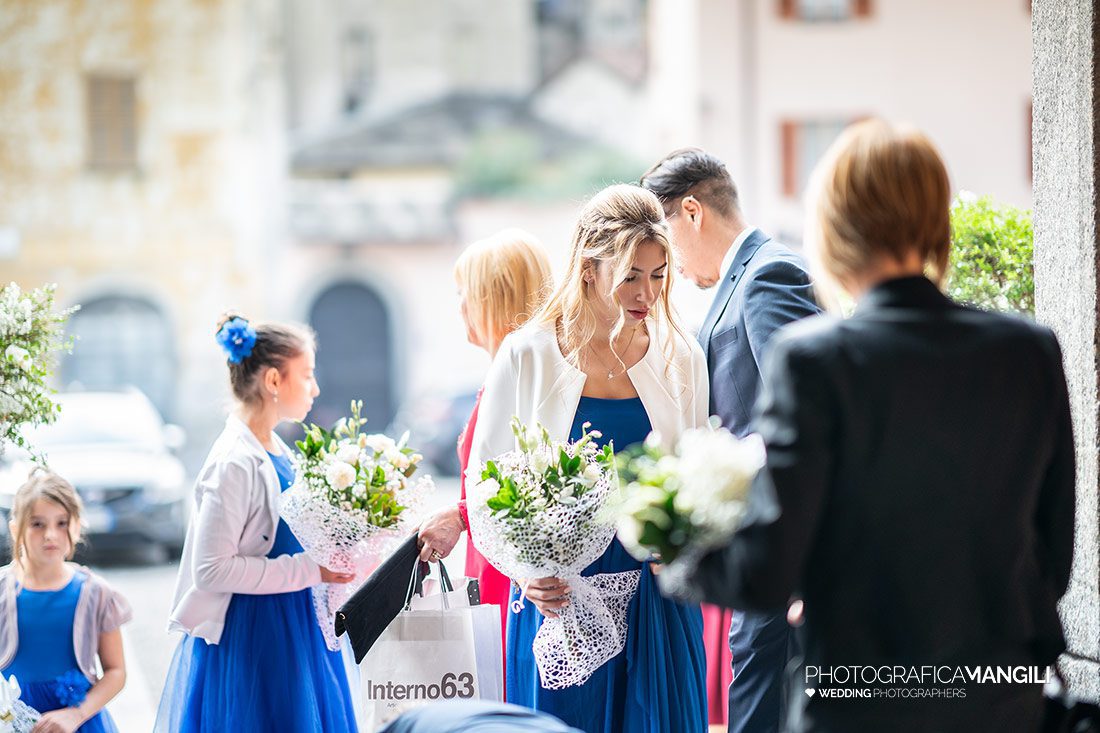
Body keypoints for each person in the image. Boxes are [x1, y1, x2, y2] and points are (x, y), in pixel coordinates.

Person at [676, 119, 1076, 732]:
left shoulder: (814, 360)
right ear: (935, 219)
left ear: (833, 227)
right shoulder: (1029, 351)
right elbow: (1054, 551)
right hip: (1002, 692)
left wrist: (673, 543)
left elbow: (765, 573)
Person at [469, 184, 709, 733]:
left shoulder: (682, 355)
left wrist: (685, 548)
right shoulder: (527, 353)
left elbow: (693, 474)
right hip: (558, 598)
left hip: (656, 597)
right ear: (587, 267)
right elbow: (484, 481)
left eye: (657, 274)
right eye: (629, 275)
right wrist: (526, 573)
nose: (644, 292)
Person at [641, 148, 819, 732]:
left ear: (691, 211)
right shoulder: (744, 279)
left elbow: (800, 419)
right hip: (760, 542)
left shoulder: (769, 274)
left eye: (663, 238)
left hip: (777, 541)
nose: (667, 263)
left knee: (757, 703)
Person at [156, 315, 358, 732]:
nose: (315, 388)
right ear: (272, 381)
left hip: (296, 620)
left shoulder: (276, 447)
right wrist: (311, 569)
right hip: (256, 634)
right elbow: (210, 569)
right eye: (306, 375)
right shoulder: (233, 463)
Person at [416, 228, 553, 644]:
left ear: (494, 299)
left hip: (508, 566)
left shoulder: (526, 378)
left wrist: (460, 515)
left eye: (464, 293)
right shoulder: (506, 375)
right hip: (489, 554)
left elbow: (528, 483)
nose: (459, 307)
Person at [0, 471, 130, 733]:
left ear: (77, 527)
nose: (50, 534)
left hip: (79, 722)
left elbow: (116, 671)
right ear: (15, 529)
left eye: (62, 523)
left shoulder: (95, 593)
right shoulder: (2, 590)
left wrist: (76, 715)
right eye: (37, 524)